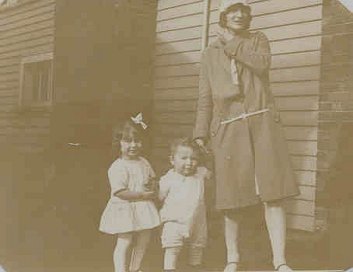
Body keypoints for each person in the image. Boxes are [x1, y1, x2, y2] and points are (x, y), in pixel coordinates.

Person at [193, 0, 300, 271]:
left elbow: (261, 66)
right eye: (232, 10)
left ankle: (280, 261)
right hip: (228, 127)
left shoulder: (257, 40)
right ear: (223, 16)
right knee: (232, 199)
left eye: (244, 10)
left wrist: (232, 43)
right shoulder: (208, 54)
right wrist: (200, 133)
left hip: (262, 123)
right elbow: (205, 97)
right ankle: (233, 259)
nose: (239, 14)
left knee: (272, 193)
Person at [99, 115, 160, 272]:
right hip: (125, 208)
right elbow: (120, 192)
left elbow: (152, 178)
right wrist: (143, 195)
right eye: (128, 141)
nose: (133, 145)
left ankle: (135, 268)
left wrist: (152, 184)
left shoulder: (144, 162)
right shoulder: (118, 167)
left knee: (144, 238)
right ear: (119, 143)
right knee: (125, 240)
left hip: (143, 207)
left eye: (137, 141)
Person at [158, 138, 211, 272]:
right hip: (174, 221)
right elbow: (159, 197)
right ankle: (169, 269)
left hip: (197, 221)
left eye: (193, 158)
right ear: (172, 160)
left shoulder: (200, 173)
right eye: (183, 158)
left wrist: (204, 151)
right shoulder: (168, 178)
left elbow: (211, 170)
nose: (189, 163)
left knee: (197, 247)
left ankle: (195, 267)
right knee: (172, 248)